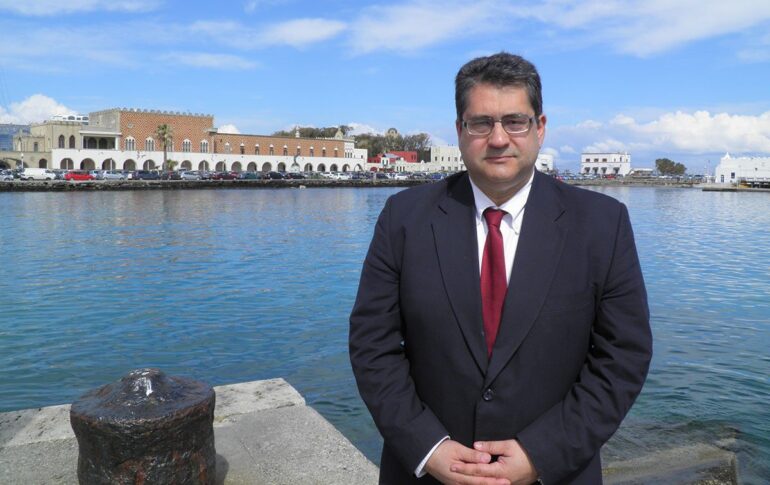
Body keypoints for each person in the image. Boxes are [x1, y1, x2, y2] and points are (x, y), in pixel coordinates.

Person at [349, 52, 652, 485]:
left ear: (539, 128)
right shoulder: (404, 218)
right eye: (481, 123)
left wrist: (542, 454)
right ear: (459, 131)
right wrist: (428, 447)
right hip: (427, 474)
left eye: (515, 121)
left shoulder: (603, 224)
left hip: (555, 474)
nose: (498, 138)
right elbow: (371, 346)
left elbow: (623, 357)